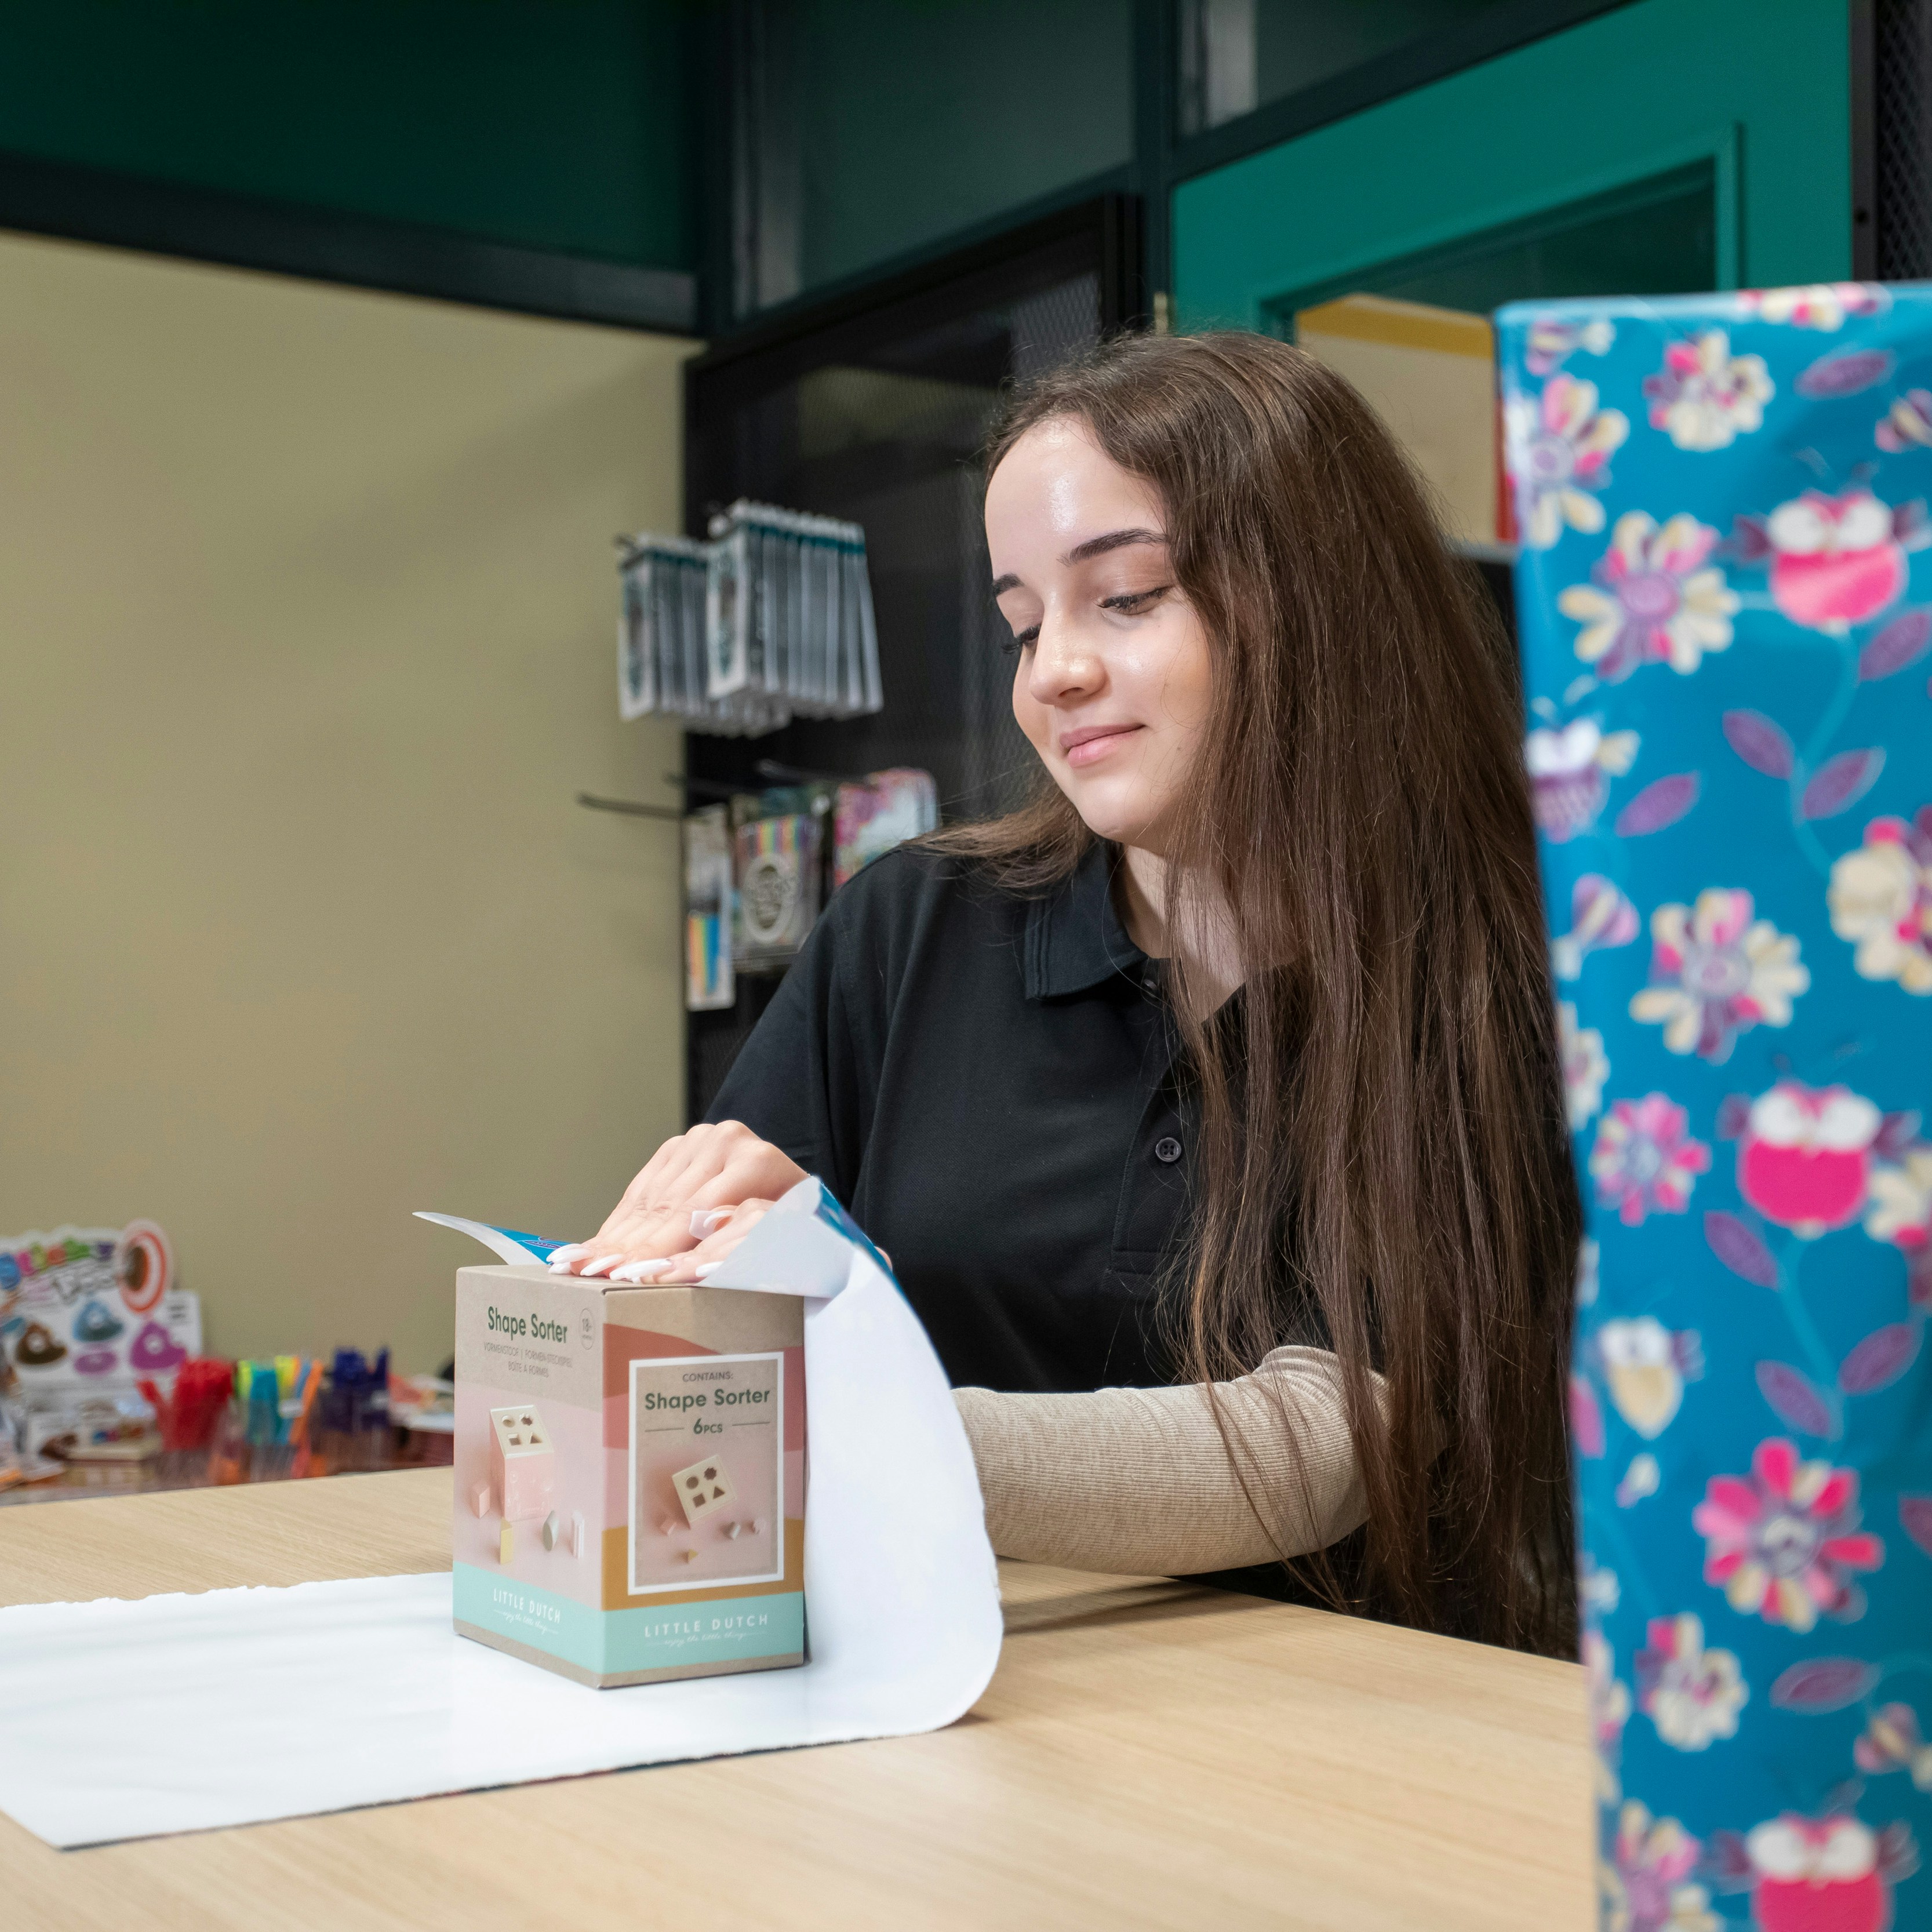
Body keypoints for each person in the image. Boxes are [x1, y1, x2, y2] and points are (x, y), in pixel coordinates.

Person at [550, 331, 1581, 1656]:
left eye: (1128, 597)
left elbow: (1330, 1433)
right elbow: (713, 1377)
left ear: (1318, 601)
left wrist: (859, 1430)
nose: (1053, 672)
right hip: (924, 1717)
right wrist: (665, 1291)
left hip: (1336, 1754)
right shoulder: (909, 928)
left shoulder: (1494, 973)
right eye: (1022, 623)